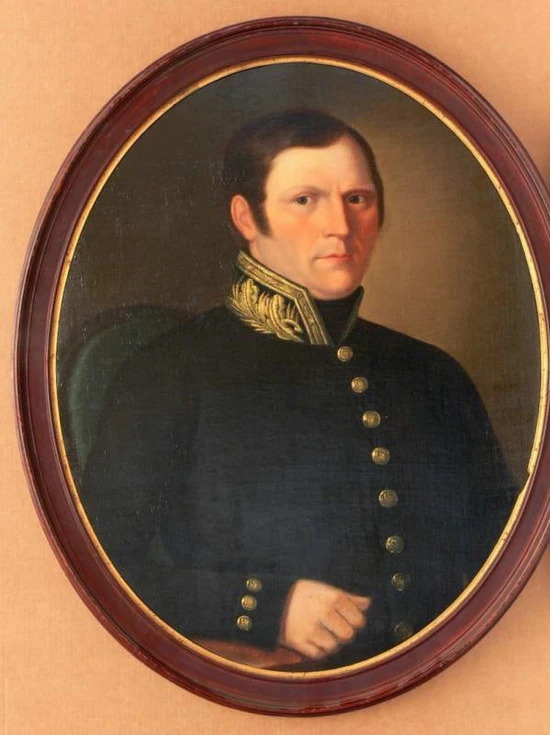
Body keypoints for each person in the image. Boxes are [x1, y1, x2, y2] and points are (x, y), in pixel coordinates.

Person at [81, 109, 517, 670]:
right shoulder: (168, 373)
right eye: (305, 200)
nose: (340, 225)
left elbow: (506, 557)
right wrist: (266, 608)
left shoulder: (433, 374)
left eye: (357, 198)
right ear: (247, 216)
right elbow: (99, 571)